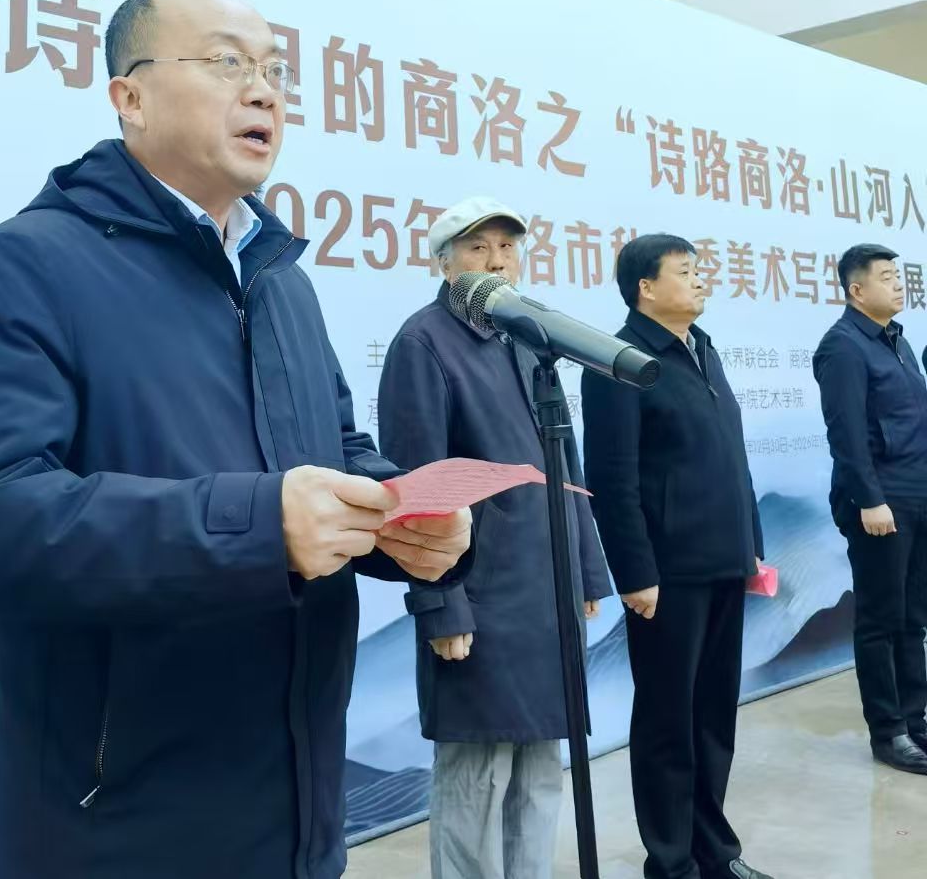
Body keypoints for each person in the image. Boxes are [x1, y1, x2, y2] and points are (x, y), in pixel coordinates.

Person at [0, 0, 472, 879]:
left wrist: (398, 518)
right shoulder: (30, 262)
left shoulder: (281, 281)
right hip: (117, 828)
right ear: (129, 97)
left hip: (298, 808)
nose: (263, 92)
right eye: (226, 63)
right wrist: (261, 526)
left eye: (274, 72)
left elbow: (334, 450)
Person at [377, 195, 611, 879]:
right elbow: (416, 489)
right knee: (478, 776)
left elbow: (565, 467)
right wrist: (441, 605)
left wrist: (585, 570)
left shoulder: (528, 337)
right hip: (481, 598)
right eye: (478, 247)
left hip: (546, 596)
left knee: (540, 771)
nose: (497, 260)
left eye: (508, 247)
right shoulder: (423, 343)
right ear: (444, 263)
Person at [582, 234, 772, 879]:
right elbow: (612, 478)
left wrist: (751, 547)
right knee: (668, 722)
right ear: (645, 287)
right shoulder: (619, 361)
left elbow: (733, 457)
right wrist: (635, 573)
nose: (699, 280)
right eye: (685, 271)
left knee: (713, 717)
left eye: (699, 269)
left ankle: (715, 853)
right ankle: (670, 863)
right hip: (668, 575)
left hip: (724, 561)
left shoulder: (702, 349)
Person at [813, 244, 927, 775]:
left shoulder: (897, 342)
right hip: (882, 503)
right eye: (886, 277)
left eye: (898, 276)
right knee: (880, 620)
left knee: (913, 617)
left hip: (918, 495)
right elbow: (846, 433)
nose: (898, 284)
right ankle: (889, 732)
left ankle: (916, 721)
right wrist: (870, 499)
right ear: (857, 290)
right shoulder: (842, 346)